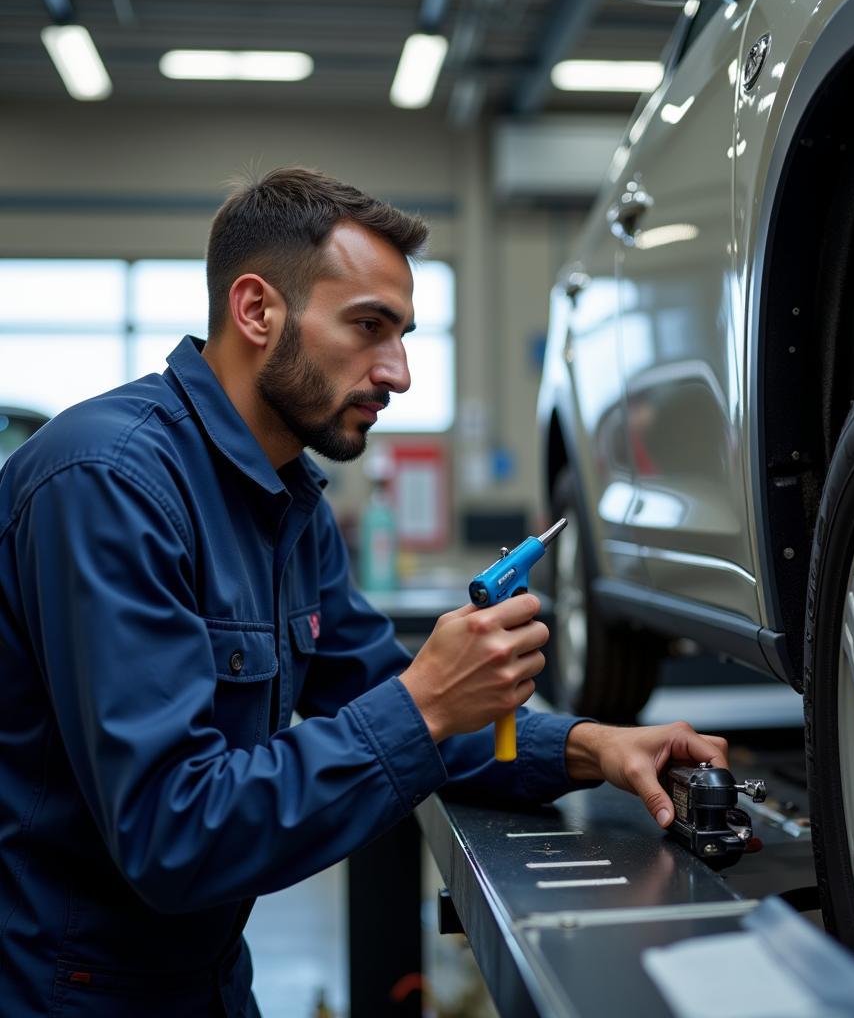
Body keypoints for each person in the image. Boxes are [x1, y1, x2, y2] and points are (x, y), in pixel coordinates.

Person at [0, 167, 728, 1017]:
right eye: (369, 327)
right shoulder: (109, 485)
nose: (402, 372)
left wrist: (592, 747)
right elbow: (175, 833)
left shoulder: (288, 504)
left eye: (406, 333)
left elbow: (393, 699)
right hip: (66, 993)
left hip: (208, 982)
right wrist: (423, 704)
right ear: (257, 311)